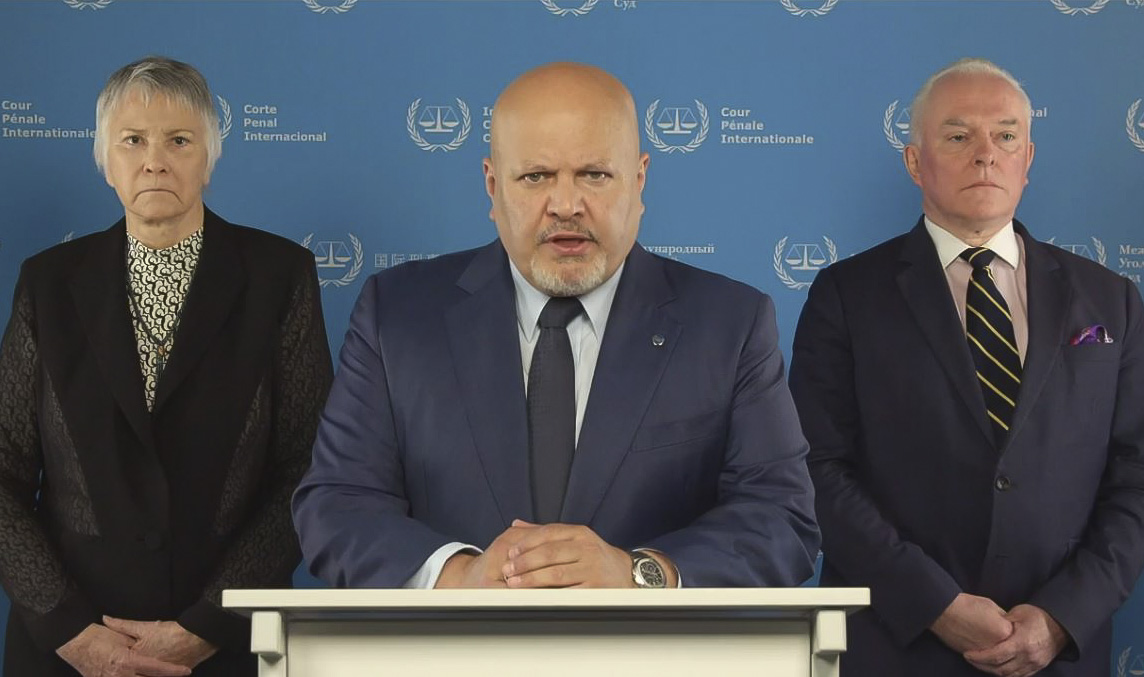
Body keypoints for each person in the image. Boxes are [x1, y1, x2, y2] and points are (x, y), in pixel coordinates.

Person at [292, 62, 818, 591]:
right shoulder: (397, 315)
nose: (566, 206)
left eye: (594, 175)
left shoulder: (730, 323)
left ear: (639, 181)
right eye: (536, 176)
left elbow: (780, 518)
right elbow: (338, 503)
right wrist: (460, 579)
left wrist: (638, 574)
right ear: (493, 186)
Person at [789, 57, 1144, 676]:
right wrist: (935, 605)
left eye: (1005, 136)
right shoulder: (846, 295)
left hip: (1058, 656)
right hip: (896, 645)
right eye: (958, 136)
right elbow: (817, 467)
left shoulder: (1110, 299)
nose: (986, 155)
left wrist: (1062, 616)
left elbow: (1135, 478)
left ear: (1027, 158)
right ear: (914, 161)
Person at [0, 56, 333, 676]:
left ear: (210, 156)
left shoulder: (279, 276)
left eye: (179, 140)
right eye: (132, 140)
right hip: (66, 650)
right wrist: (71, 632)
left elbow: (307, 468)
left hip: (227, 647)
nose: (154, 161)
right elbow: (3, 474)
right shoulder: (47, 284)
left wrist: (207, 625)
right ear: (104, 159)